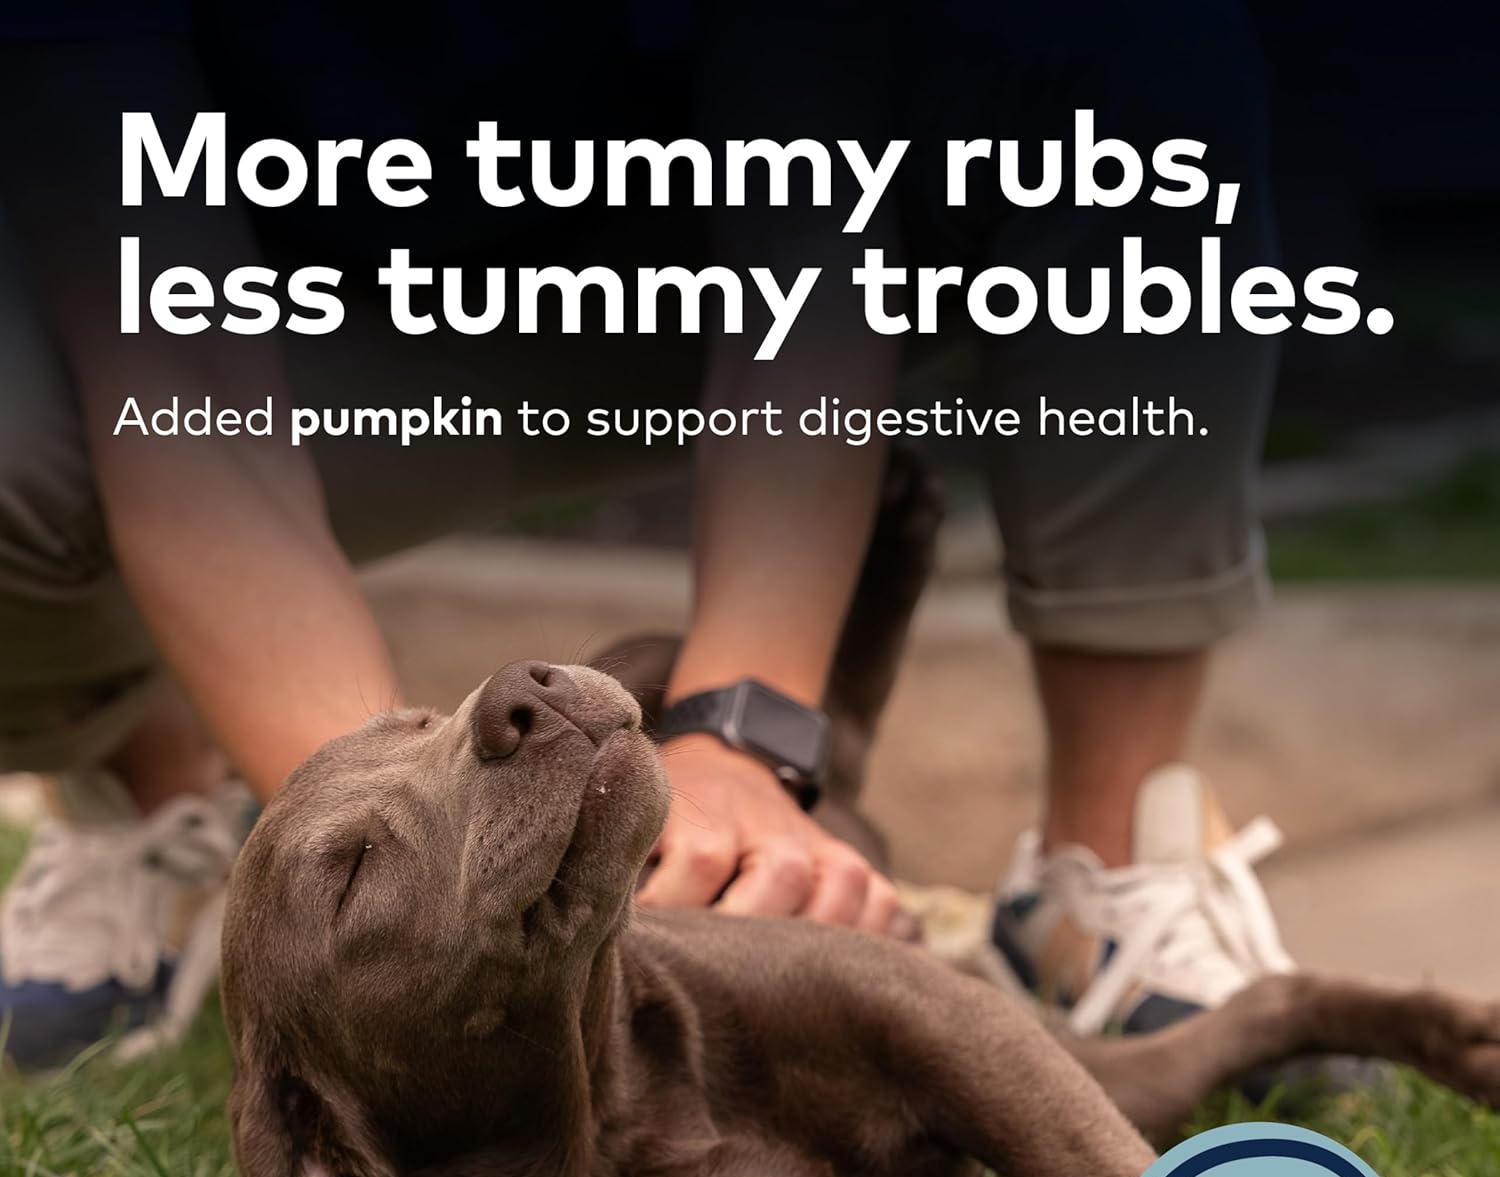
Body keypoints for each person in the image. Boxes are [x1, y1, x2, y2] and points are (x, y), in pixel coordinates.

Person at [0, 2, 1296, 1068]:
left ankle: (1100, 877)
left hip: (677, 244)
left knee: (1129, 52)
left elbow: (807, 213)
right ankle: (171, 808)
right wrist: (406, 859)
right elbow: (173, 363)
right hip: (289, 290)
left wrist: (739, 737)